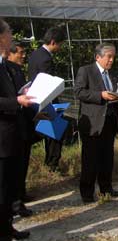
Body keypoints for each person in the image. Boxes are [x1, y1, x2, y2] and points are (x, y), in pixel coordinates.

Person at [74, 43, 118, 203]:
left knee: (107, 157)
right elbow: (79, 92)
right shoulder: (86, 71)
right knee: (90, 159)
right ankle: (87, 193)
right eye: (108, 57)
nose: (111, 60)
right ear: (98, 57)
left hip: (109, 121)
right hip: (93, 122)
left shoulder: (112, 74)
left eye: (113, 57)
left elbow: (115, 93)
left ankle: (106, 188)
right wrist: (100, 95)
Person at [0, 19, 34, 241]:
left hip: (13, 134)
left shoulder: (5, 65)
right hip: (1, 136)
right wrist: (16, 101)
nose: (12, 35)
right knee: (1, 190)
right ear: (1, 37)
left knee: (11, 187)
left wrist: (24, 93)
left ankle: (8, 227)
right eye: (9, 32)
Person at [28, 27, 66, 172]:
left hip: (37, 99)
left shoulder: (35, 54)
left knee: (50, 134)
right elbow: (47, 83)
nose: (60, 47)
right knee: (56, 134)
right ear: (53, 42)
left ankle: (49, 163)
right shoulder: (45, 59)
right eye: (60, 44)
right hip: (46, 101)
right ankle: (52, 165)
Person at [7, 42, 34, 217]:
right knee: (12, 169)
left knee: (22, 163)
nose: (23, 56)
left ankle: (20, 196)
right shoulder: (6, 70)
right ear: (9, 53)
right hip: (10, 126)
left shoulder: (16, 70)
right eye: (20, 53)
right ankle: (15, 203)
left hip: (22, 124)